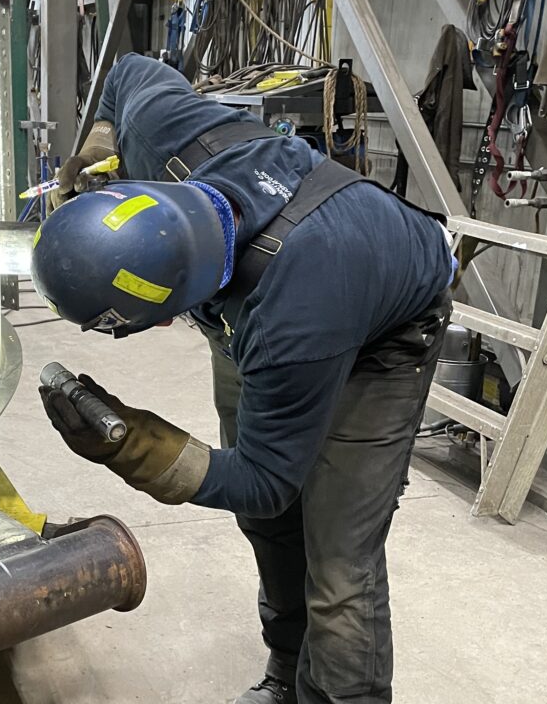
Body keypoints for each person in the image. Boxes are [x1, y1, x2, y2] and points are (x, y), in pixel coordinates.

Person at [32, 54, 455, 704]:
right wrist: (96, 144)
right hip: (268, 292)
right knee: (269, 527)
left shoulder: (291, 319)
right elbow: (126, 72)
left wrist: (137, 449)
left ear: (165, 309)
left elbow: (265, 480)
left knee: (341, 566)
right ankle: (287, 674)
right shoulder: (164, 135)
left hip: (386, 333)